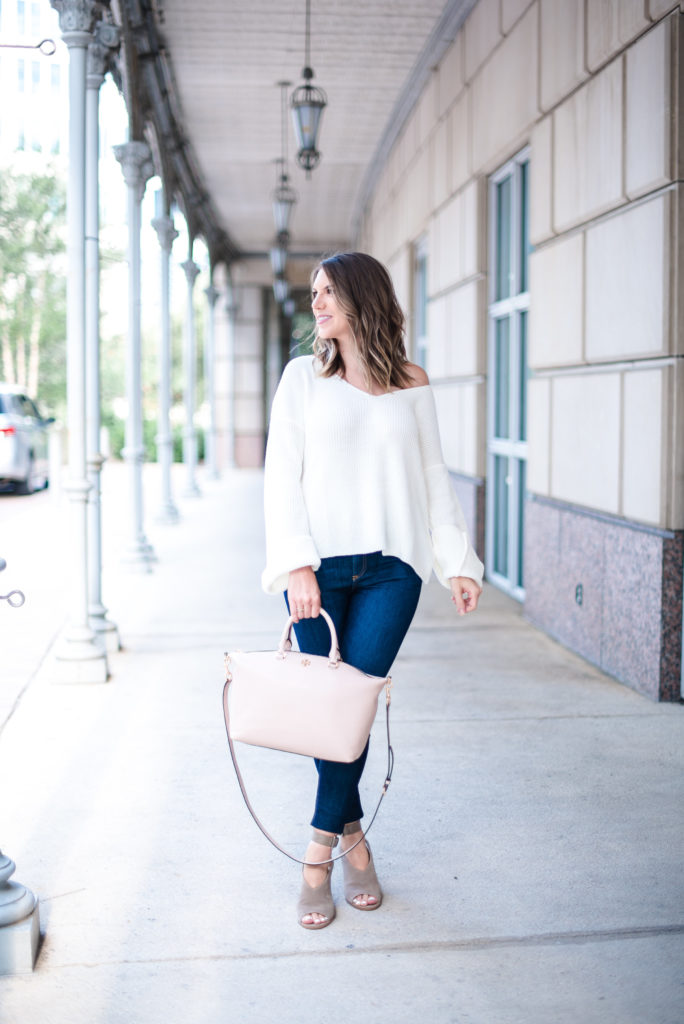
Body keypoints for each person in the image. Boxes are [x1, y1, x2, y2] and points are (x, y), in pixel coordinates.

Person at [261, 251, 483, 929]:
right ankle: (350, 842)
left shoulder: (410, 381)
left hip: (393, 568)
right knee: (335, 712)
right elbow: (280, 477)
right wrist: (296, 563)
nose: (318, 303)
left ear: (362, 297)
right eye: (314, 293)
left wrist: (457, 561)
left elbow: (432, 475)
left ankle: (315, 854)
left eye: (329, 292)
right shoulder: (302, 378)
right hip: (319, 573)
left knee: (352, 707)